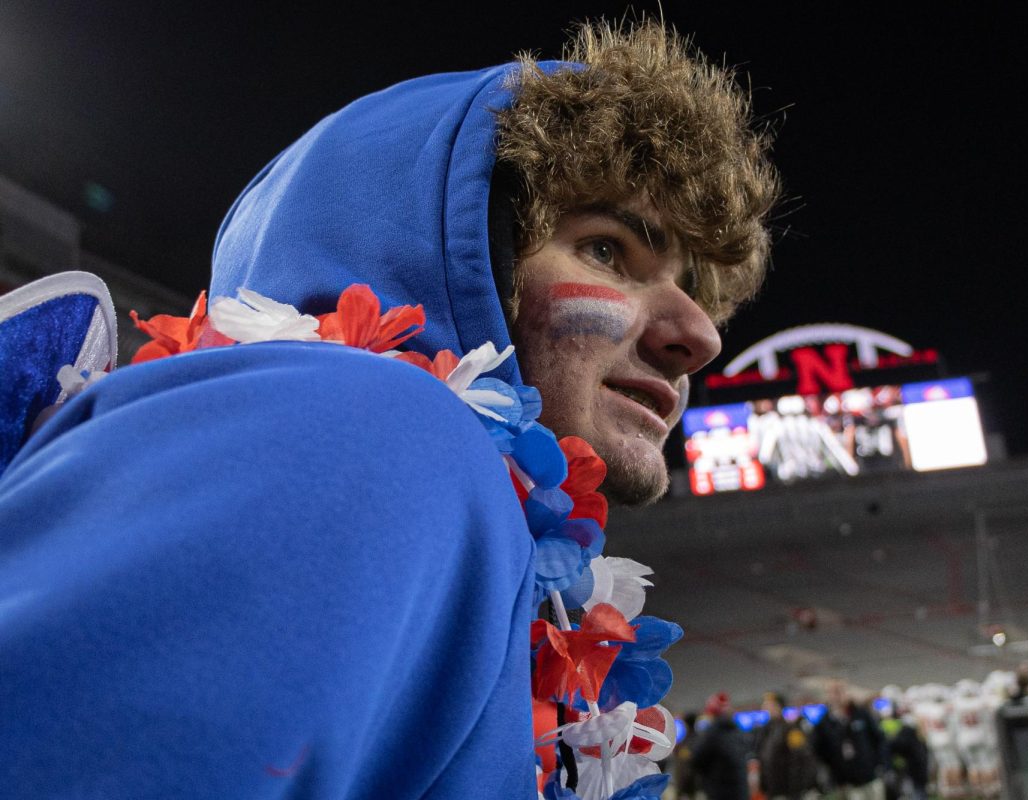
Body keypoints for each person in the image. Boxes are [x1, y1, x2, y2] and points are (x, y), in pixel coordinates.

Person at [0, 17, 778, 800]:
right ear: (461, 252)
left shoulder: (461, 512)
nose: (702, 334)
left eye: (694, 285)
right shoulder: (373, 430)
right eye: (609, 250)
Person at [812, 682, 886, 800]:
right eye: (833, 692)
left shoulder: (861, 714)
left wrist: (880, 764)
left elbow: (879, 739)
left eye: (840, 691)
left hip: (869, 776)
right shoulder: (824, 722)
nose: (837, 696)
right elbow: (818, 749)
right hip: (844, 781)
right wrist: (833, 769)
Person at [756, 691, 820, 800]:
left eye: (769, 705)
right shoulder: (767, 730)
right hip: (773, 789)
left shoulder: (791, 729)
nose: (765, 708)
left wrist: (797, 789)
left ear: (779, 706)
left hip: (788, 791)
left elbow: (802, 758)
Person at [691, 692, 752, 800]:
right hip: (740, 791)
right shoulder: (738, 731)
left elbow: (696, 759)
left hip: (719, 790)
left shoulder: (712, 733)